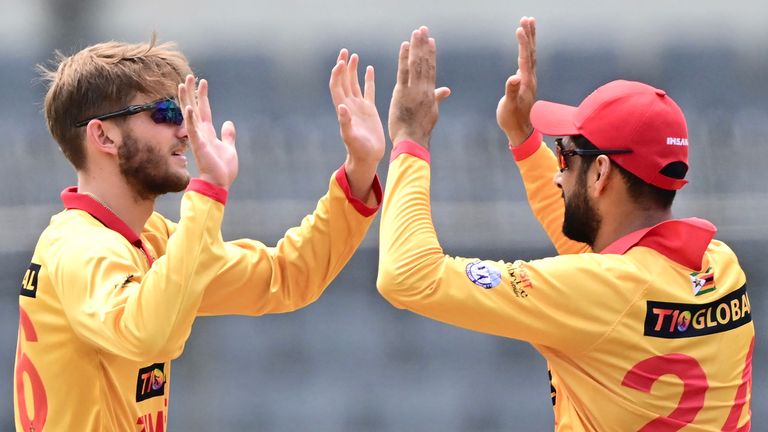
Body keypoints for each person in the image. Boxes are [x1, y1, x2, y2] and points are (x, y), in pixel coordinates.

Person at [377, 20, 754, 430]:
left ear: (601, 173)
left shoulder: (601, 291)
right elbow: (605, 271)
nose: (558, 176)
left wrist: (409, 140)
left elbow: (407, 277)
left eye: (565, 155)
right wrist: (523, 138)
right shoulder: (722, 267)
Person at [15, 38, 384, 431]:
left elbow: (285, 277)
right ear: (103, 137)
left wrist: (360, 168)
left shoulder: (147, 238)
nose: (185, 131)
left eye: (185, 112)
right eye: (166, 112)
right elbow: (148, 334)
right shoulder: (78, 247)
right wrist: (208, 190)